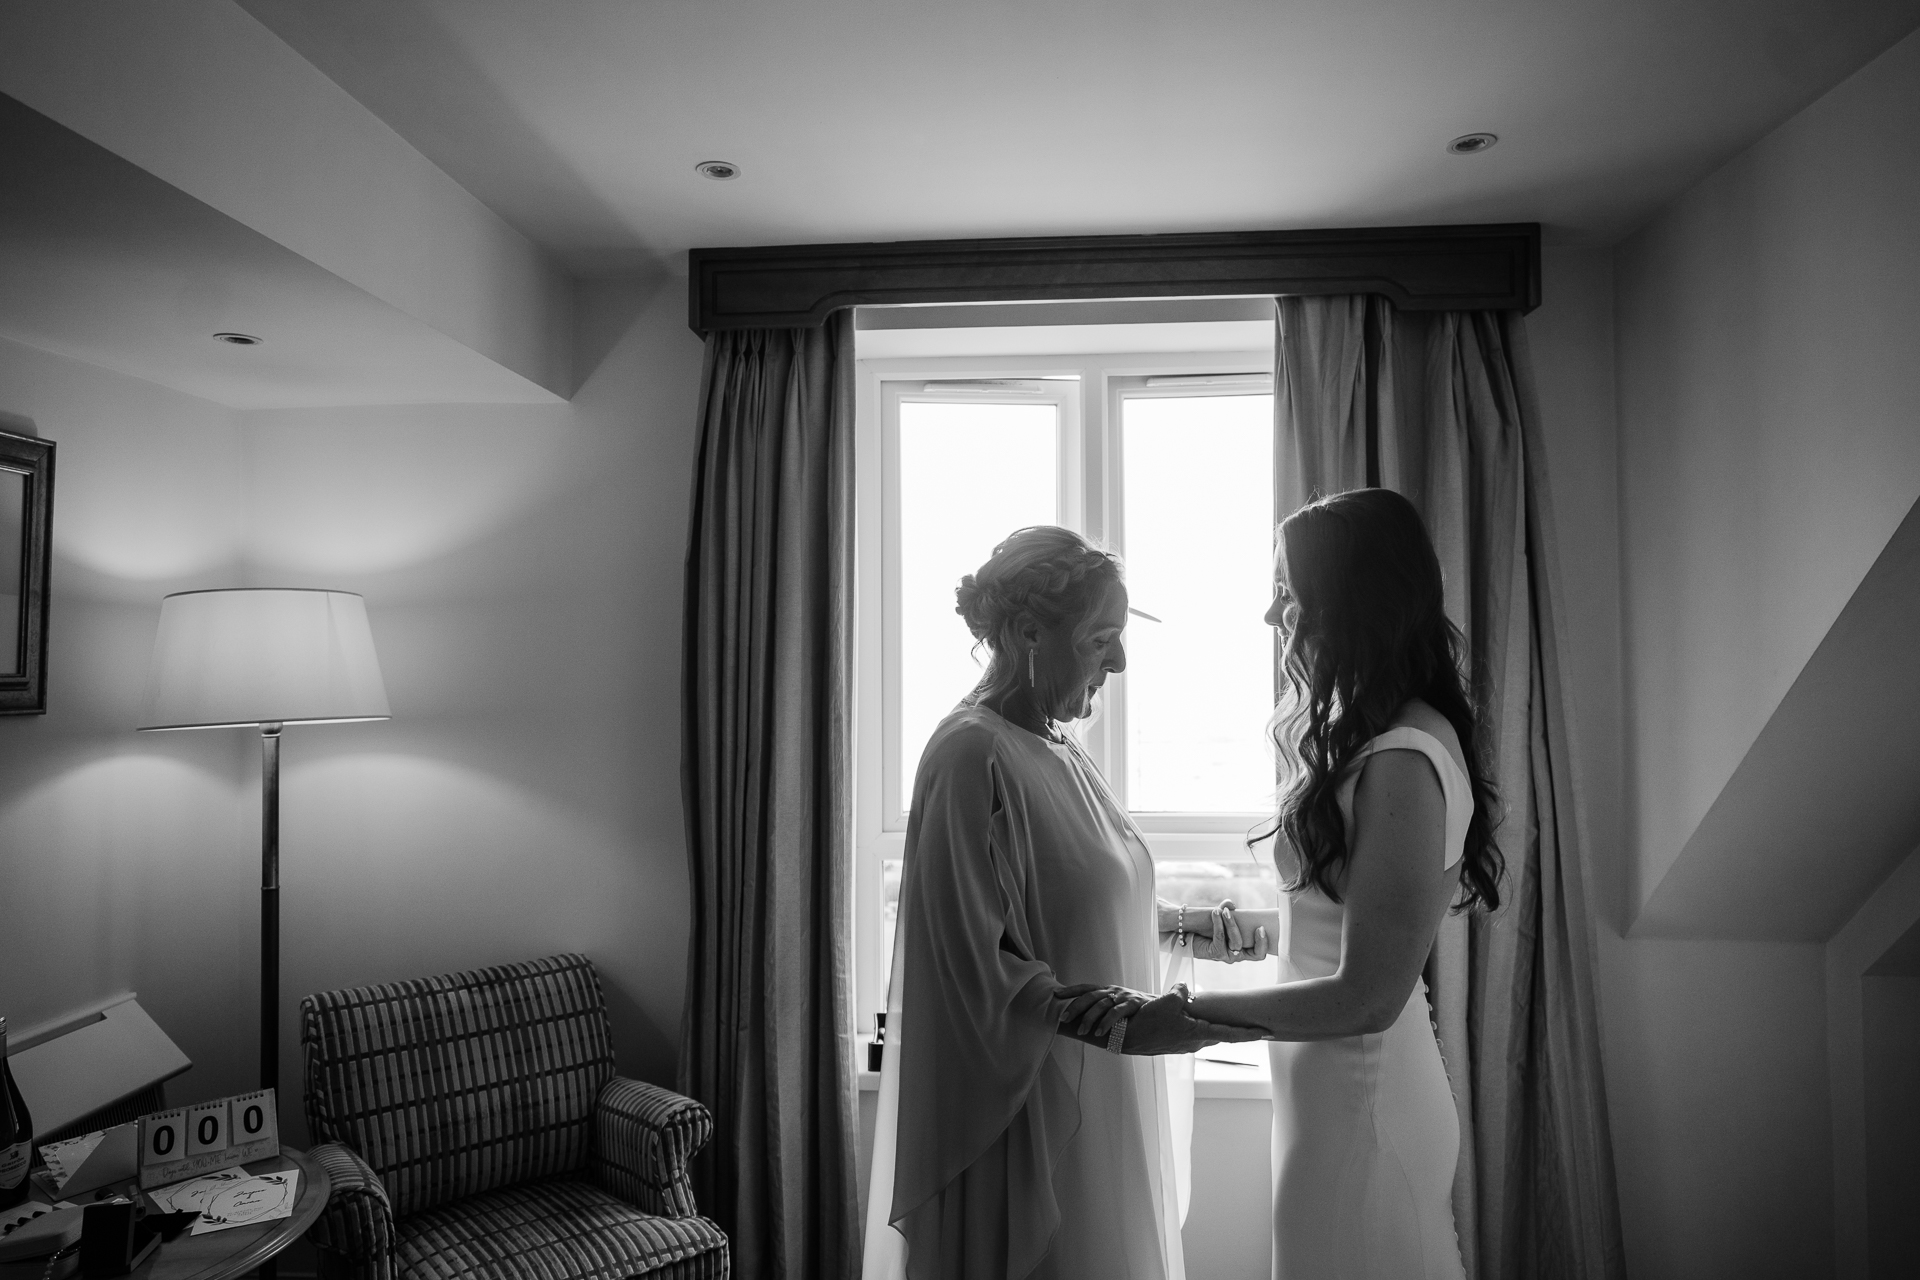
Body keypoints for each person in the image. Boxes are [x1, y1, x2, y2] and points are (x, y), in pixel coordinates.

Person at [1070, 487, 1504, 1280]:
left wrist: (1183, 1022)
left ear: (1352, 601)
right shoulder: (1370, 736)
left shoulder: (1406, 756)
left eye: (1287, 595)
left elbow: (1367, 995)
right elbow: (1345, 926)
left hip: (1367, 1103)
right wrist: (1233, 933)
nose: (1274, 619)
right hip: (1328, 1104)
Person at [862, 525, 1239, 1280]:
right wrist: (1125, 1022)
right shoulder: (971, 753)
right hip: (1030, 1115)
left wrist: (1175, 925)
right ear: (1029, 631)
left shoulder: (1065, 749)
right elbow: (971, 963)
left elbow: (1065, 908)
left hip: (1102, 1092)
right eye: (1103, 638)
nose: (1122, 661)